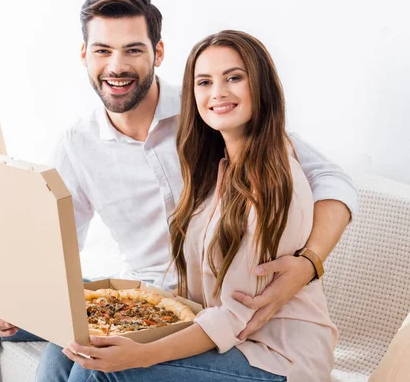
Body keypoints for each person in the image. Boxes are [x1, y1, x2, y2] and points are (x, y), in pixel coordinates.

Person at [0, 0, 355, 381]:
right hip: (147, 295)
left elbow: (324, 177)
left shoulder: (211, 116)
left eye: (133, 49)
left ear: (158, 53)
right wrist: (17, 297)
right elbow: (54, 247)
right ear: (84, 55)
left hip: (212, 308)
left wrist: (308, 263)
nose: (117, 66)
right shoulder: (79, 143)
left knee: (84, 361)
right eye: (103, 50)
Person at [62, 29, 337, 382]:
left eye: (234, 78)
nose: (218, 92)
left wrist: (143, 354)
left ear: (261, 85)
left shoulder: (273, 182)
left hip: (276, 358)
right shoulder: (217, 170)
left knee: (106, 374)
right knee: (71, 349)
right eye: (204, 82)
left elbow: (237, 316)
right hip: (225, 339)